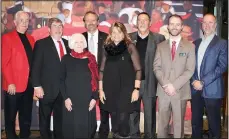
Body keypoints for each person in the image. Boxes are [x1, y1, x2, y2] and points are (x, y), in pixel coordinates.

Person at [153, 15, 195, 138]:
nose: (174, 27)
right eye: (172, 24)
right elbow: (156, 67)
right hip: (163, 91)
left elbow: (190, 70)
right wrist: (166, 85)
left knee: (178, 126)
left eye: (177, 24)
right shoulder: (160, 46)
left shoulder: (190, 46)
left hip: (180, 92)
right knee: (162, 126)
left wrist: (174, 86)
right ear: (168, 26)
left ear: (182, 27)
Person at [99, 22, 141, 138]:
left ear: (124, 33)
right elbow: (101, 70)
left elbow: (138, 70)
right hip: (110, 90)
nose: (116, 35)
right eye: (114, 32)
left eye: (119, 32)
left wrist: (136, 89)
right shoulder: (106, 48)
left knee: (123, 122)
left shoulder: (130, 47)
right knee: (115, 123)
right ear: (110, 34)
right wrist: (101, 90)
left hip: (126, 91)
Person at [31, 18, 70, 139]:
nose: (58, 29)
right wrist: (37, 86)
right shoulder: (41, 44)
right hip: (46, 89)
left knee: (61, 119)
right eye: (55, 26)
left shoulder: (68, 44)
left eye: (60, 26)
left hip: (64, 91)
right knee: (45, 119)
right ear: (49, 29)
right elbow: (35, 67)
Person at [191, 13, 228, 139]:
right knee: (195, 122)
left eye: (210, 22)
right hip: (195, 89)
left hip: (213, 90)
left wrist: (203, 82)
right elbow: (189, 65)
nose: (207, 25)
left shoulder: (222, 43)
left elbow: (222, 67)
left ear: (215, 25)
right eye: (204, 22)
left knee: (214, 123)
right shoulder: (195, 43)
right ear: (201, 25)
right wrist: (194, 81)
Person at [129, 12, 165, 139]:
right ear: (136, 23)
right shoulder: (128, 38)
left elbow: (163, 62)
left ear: (150, 23)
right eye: (140, 20)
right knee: (132, 113)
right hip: (132, 84)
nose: (142, 22)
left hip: (150, 82)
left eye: (145, 20)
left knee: (150, 115)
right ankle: (134, 136)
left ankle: (149, 136)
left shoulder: (159, 38)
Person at [2, 11, 35, 139]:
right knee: (10, 117)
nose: (24, 23)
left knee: (26, 115)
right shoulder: (7, 37)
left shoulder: (31, 39)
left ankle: (25, 136)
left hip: (28, 85)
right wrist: (10, 82)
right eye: (21, 20)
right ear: (15, 22)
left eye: (27, 21)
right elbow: (5, 63)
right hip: (13, 85)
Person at [60, 33, 98, 138]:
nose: (79, 44)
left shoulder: (91, 58)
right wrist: (66, 98)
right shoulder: (66, 59)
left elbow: (96, 79)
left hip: (88, 100)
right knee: (71, 130)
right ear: (71, 43)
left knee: (87, 129)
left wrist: (94, 98)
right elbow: (61, 80)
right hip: (71, 100)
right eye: (76, 42)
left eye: (81, 41)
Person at [82, 11, 108, 139]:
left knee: (104, 109)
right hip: (85, 81)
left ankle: (104, 134)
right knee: (87, 108)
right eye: (88, 20)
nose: (91, 23)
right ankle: (88, 133)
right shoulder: (79, 38)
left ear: (98, 22)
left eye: (93, 20)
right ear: (84, 23)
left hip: (104, 79)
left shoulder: (107, 37)